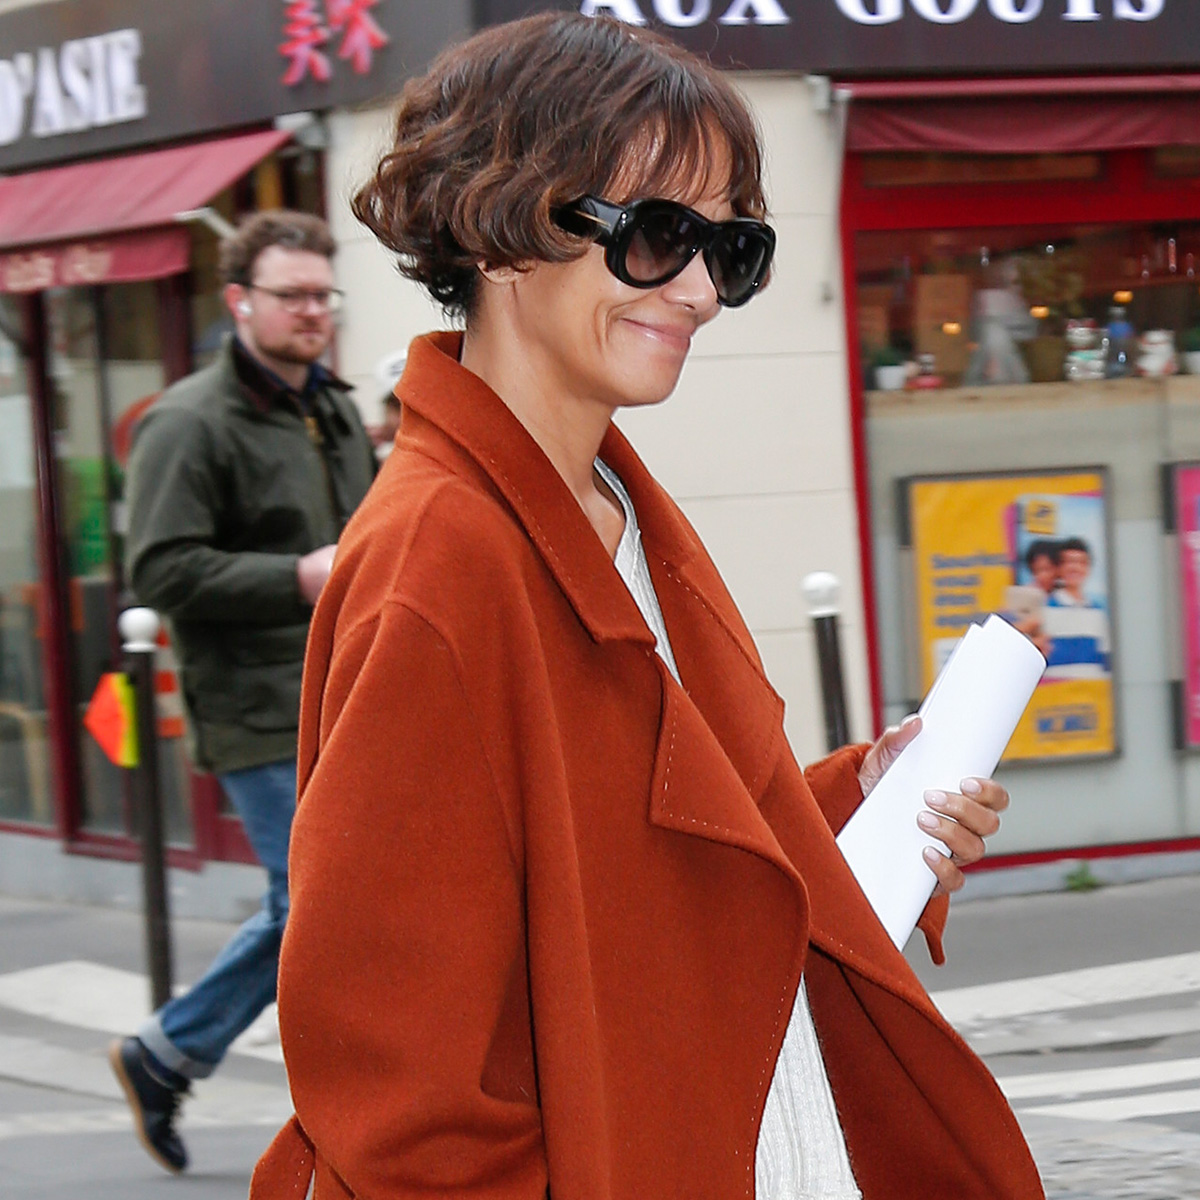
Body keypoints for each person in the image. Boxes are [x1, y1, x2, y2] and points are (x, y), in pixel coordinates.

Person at [251, 16, 1044, 1200]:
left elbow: (628, 860)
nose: (700, 293)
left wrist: (854, 807)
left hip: (765, 1132)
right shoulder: (441, 559)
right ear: (500, 221)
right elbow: (397, 1089)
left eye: (730, 248)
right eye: (660, 236)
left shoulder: (610, 500)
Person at [108, 210, 376, 1174]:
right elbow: (161, 571)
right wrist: (297, 577)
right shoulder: (188, 420)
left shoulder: (333, 405)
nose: (313, 314)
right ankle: (179, 1055)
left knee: (333, 897)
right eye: (292, 296)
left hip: (343, 689)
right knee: (312, 902)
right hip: (255, 702)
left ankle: (167, 1054)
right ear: (238, 303)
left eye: (323, 296)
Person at [1044, 535, 1111, 678]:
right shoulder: (1045, 609)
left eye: (1082, 563)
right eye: (1069, 562)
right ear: (1059, 568)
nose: (1075, 568)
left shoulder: (1098, 612)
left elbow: (1107, 662)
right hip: (1055, 695)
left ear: (1088, 568)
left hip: (1091, 695)